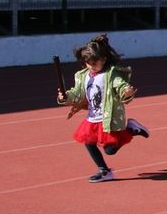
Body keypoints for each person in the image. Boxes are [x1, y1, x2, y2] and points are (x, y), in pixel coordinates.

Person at [57, 34, 149, 183]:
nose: (91, 66)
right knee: (88, 142)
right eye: (87, 63)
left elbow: (120, 85)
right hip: (92, 117)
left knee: (110, 150)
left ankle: (131, 129)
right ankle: (104, 171)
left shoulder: (110, 74)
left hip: (108, 118)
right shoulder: (83, 76)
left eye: (94, 62)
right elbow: (76, 94)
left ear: (104, 59)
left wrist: (126, 91)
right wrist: (65, 97)